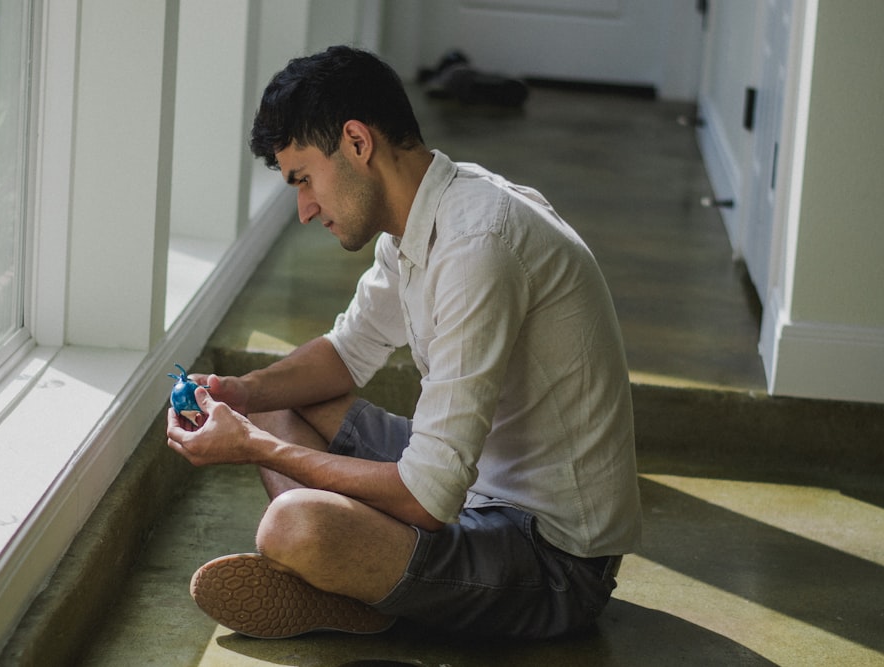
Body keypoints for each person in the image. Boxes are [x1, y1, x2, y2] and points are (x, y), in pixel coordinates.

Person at [166, 45, 641, 641]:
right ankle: (359, 580)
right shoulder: (420, 219)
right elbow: (345, 353)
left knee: (293, 525)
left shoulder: (478, 246)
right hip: (478, 484)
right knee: (278, 400)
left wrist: (257, 447)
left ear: (358, 143)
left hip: (552, 560)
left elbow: (426, 499)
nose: (305, 209)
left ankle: (347, 574)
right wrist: (238, 394)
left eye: (305, 179)